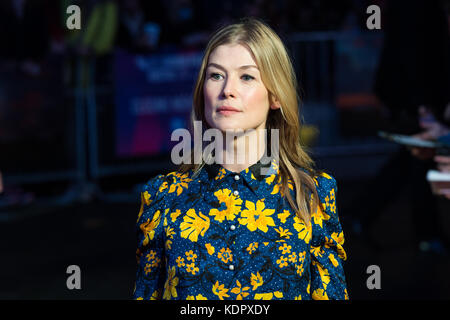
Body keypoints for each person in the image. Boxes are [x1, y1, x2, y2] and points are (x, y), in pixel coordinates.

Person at [132, 18, 348, 300]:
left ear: (275, 95)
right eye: (216, 75)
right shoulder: (164, 197)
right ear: (202, 91)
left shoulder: (312, 195)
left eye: (246, 76)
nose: (227, 90)